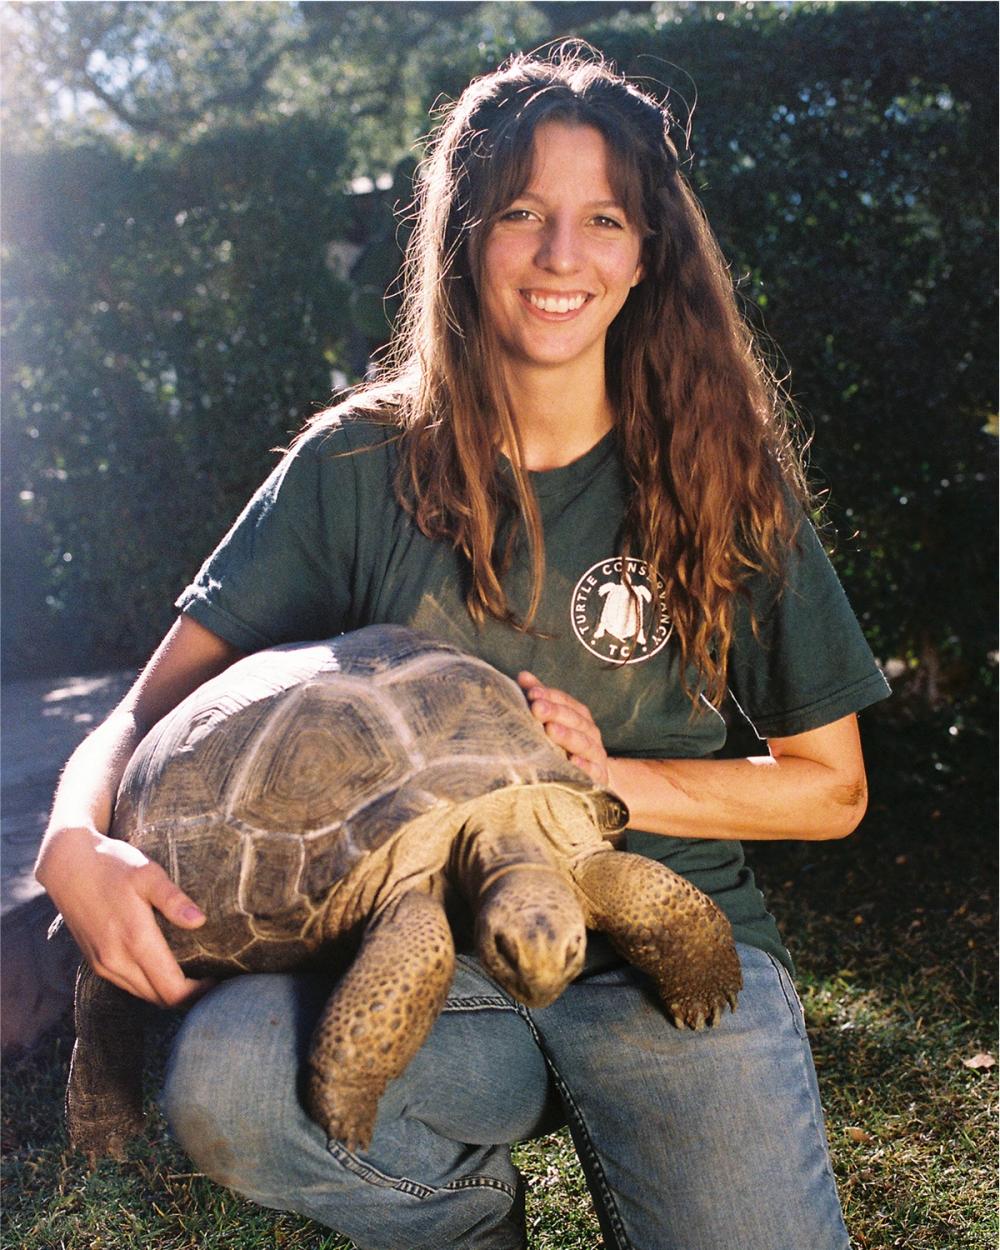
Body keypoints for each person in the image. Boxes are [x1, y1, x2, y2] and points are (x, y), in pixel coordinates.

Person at [36, 46, 890, 1250]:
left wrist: (606, 783)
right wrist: (71, 839)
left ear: (646, 253)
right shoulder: (356, 465)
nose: (560, 255)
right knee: (228, 1088)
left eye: (602, 219)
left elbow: (832, 784)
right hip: (408, 952)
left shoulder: (719, 475)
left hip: (653, 933)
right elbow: (139, 713)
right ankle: (466, 1218)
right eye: (522, 215)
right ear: (463, 238)